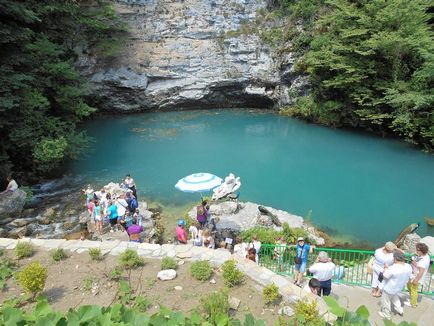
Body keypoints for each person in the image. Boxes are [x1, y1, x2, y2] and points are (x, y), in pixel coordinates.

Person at [378, 250, 412, 320]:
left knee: (386, 301)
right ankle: (400, 310)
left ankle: (386, 314)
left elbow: (385, 276)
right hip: (399, 287)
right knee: (395, 298)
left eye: (393, 258)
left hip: (389, 288)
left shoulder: (393, 268)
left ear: (396, 258)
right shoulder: (408, 266)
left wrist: (386, 268)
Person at [407, 242, 430, 308]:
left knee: (414, 289)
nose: (416, 251)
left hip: (416, 277)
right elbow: (416, 261)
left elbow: (421, 271)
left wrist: (416, 280)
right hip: (414, 275)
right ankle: (412, 299)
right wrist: (414, 261)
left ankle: (413, 304)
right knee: (409, 286)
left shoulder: (423, 261)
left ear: (422, 251)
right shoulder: (425, 255)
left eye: (418, 250)